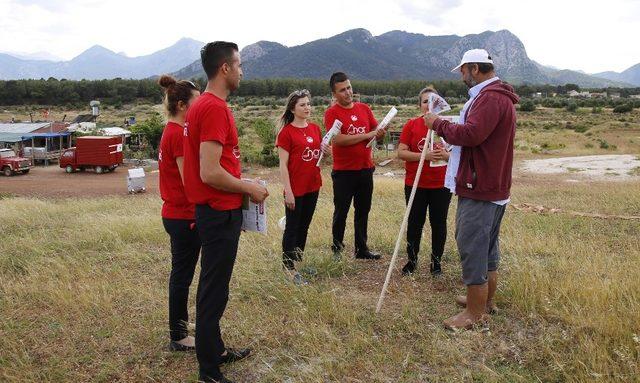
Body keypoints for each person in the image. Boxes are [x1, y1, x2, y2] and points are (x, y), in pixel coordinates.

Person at [183, 41, 269, 383]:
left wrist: (240, 182)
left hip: (216, 210)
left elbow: (215, 168)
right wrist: (247, 187)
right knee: (213, 291)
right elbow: (210, 172)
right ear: (225, 69)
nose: (242, 70)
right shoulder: (214, 108)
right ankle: (209, 371)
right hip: (218, 213)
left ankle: (215, 350)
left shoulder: (200, 105)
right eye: (239, 64)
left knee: (215, 286)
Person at [424, 49, 519, 330]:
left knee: (472, 245)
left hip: (480, 185)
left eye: (463, 70)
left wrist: (438, 124)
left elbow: (472, 134)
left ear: (475, 68)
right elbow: (477, 134)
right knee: (487, 246)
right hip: (492, 184)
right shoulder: (496, 96)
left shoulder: (489, 98)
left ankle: (475, 314)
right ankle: (483, 301)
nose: (462, 76)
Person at [157, 74, 201, 352]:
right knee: (182, 277)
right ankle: (179, 335)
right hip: (184, 216)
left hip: (175, 213)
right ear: (183, 105)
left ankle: (180, 326)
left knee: (180, 275)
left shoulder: (169, 131)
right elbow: (190, 183)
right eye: (196, 103)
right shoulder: (179, 135)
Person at [324, 72, 385, 260]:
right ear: (334, 94)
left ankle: (362, 249)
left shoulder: (364, 109)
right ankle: (337, 249)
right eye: (342, 90)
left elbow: (375, 132)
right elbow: (338, 140)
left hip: (365, 169)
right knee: (341, 212)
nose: (348, 92)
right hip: (344, 173)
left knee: (363, 211)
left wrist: (380, 133)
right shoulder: (332, 113)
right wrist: (367, 135)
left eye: (349, 87)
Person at [397, 86, 451, 276]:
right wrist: (424, 156)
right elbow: (401, 152)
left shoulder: (447, 125)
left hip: (441, 185)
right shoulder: (411, 125)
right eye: (425, 101)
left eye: (433, 101)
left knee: (439, 224)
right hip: (415, 183)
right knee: (414, 223)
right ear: (420, 105)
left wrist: (445, 155)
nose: (429, 104)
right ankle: (411, 261)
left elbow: (457, 154)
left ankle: (436, 264)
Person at [275, 89, 327, 285]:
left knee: (304, 227)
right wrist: (288, 191)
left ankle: (298, 264)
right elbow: (283, 165)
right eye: (302, 105)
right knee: (292, 228)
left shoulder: (314, 128)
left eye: (308, 103)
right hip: (295, 189)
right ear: (293, 109)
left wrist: (326, 151)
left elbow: (318, 157)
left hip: (312, 185)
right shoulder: (286, 133)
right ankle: (288, 270)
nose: (307, 107)